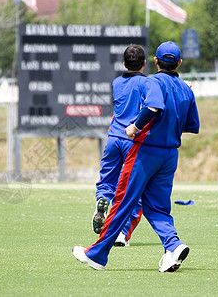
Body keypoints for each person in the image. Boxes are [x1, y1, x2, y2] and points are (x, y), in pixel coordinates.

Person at [73, 41, 200, 272]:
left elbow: (152, 107)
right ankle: (173, 246)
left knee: (123, 201)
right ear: (179, 63)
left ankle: (97, 255)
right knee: (158, 208)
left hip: (145, 151)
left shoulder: (149, 81)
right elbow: (190, 125)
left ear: (154, 61)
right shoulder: (185, 88)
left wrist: (134, 126)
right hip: (170, 154)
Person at [93, 44, 162, 247]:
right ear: (145, 63)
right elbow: (153, 106)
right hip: (133, 141)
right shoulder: (147, 83)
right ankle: (122, 233)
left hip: (113, 138)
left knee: (107, 180)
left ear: (124, 63)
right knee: (134, 189)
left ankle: (103, 199)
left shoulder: (116, 82)